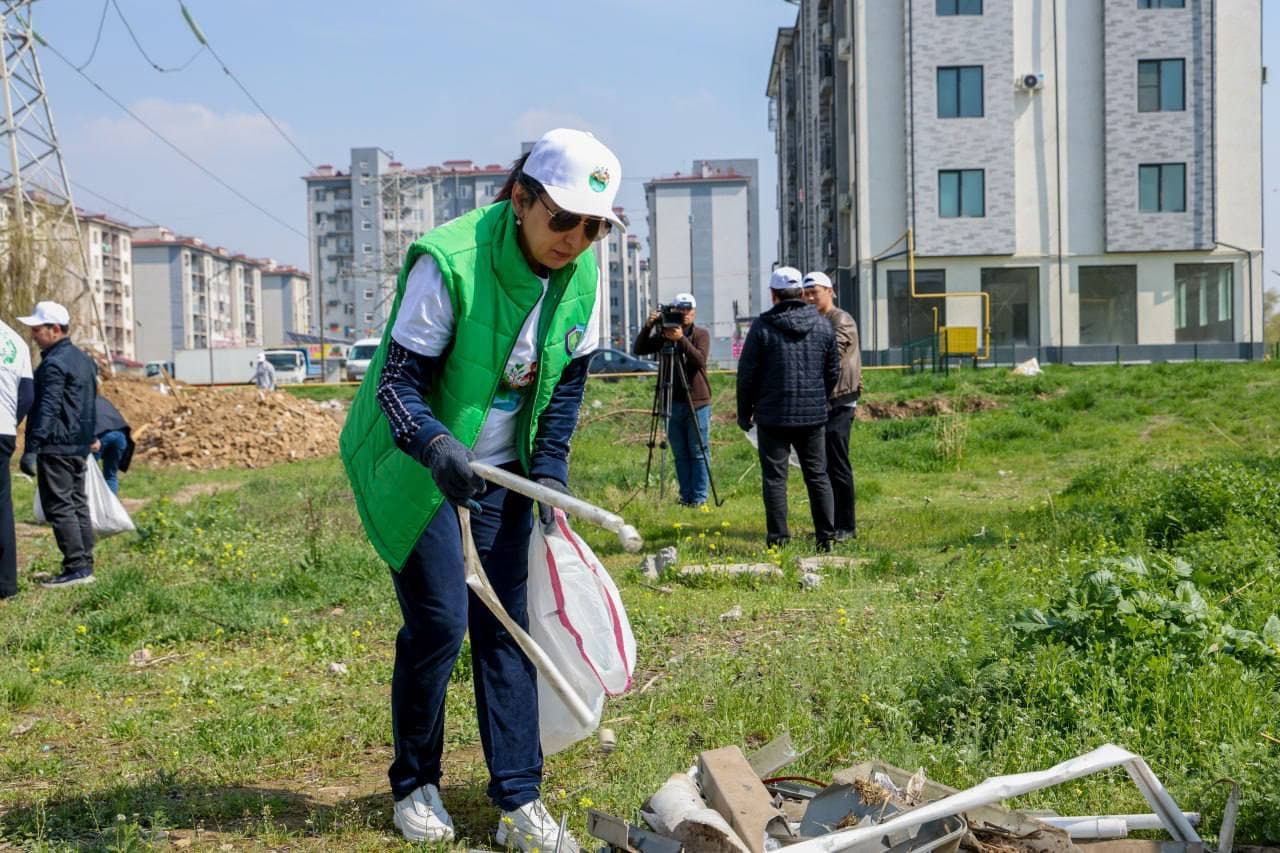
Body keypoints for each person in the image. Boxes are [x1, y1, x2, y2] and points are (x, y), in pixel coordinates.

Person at [340, 128, 625, 850]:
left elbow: (563, 393)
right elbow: (398, 385)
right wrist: (438, 448)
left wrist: (550, 478)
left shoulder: (584, 278)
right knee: (441, 623)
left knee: (509, 629)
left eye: (593, 226)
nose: (576, 239)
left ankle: (519, 802)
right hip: (418, 459)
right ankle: (415, 781)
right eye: (563, 219)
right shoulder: (453, 260)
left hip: (504, 472)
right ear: (521, 199)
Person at [736, 267, 839, 550]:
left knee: (775, 479)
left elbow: (747, 374)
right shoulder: (822, 325)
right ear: (802, 293)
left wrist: (744, 412)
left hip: (773, 415)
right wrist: (821, 398)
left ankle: (779, 539)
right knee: (817, 475)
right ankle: (826, 538)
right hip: (813, 415)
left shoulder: (762, 327)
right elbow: (833, 372)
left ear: (773, 295)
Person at [17, 301, 98, 588]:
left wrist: (32, 448)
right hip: (78, 446)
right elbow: (90, 403)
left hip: (56, 446)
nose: (33, 335)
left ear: (54, 329)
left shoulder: (53, 364)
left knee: (61, 507)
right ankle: (84, 564)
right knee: (77, 504)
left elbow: (47, 408)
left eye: (37, 329)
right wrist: (90, 437)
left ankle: (76, 569)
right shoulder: (84, 360)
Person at [633, 293, 712, 507]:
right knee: (680, 452)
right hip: (671, 402)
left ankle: (699, 497)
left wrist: (681, 339)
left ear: (694, 311)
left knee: (698, 451)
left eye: (688, 309)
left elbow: (699, 361)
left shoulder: (701, 334)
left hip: (697, 401)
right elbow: (638, 349)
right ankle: (686, 496)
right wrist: (648, 327)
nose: (684, 313)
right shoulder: (664, 334)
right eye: (680, 309)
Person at [803, 271, 863, 540]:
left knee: (837, 464)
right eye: (806, 293)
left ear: (830, 291)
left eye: (815, 291)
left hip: (840, 400)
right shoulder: (816, 320)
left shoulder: (842, 320)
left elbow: (832, 355)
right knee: (822, 466)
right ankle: (829, 523)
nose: (810, 297)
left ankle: (846, 526)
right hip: (821, 402)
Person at [0, 317, 33, 600]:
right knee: (2, 507)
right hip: (3, 431)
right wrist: (10, 422)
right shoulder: (15, 341)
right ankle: (6, 586)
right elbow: (27, 394)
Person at [92, 394, 135, 496]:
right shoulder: (102, 399)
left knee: (88, 472)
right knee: (111, 475)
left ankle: (89, 506)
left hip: (101, 434)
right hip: (121, 434)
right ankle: (112, 507)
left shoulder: (81, 401)